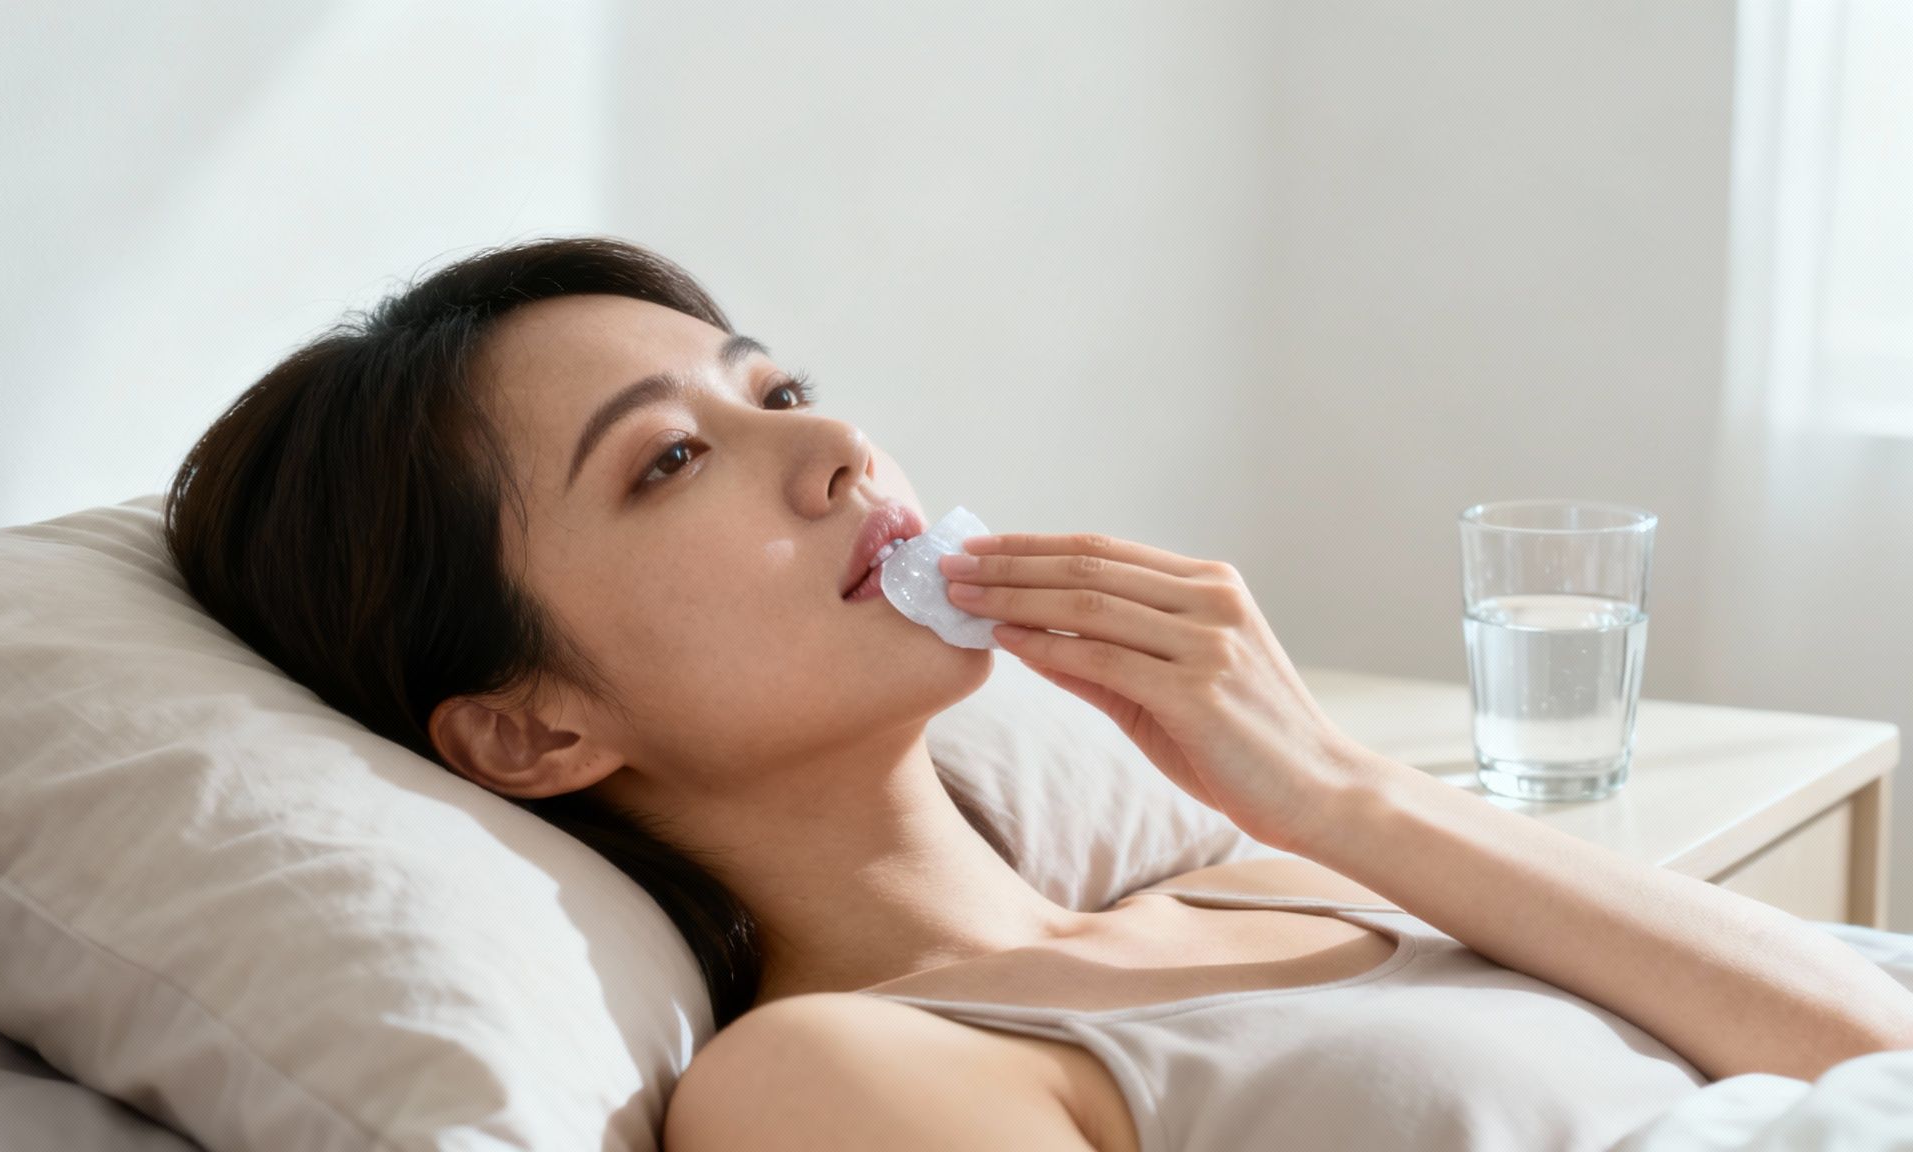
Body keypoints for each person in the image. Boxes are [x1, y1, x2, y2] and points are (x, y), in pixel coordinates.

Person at [163, 236, 1913, 1152]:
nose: (840, 447)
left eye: (783, 387)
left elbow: (1870, 1046)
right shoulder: (834, 1082)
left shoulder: (1257, 868)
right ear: (535, 727)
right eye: (676, 458)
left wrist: (1338, 796)